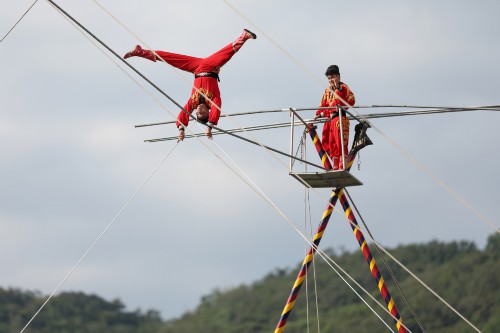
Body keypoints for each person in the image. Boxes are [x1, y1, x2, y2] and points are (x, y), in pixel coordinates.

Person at [123, 29, 257, 141]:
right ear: (207, 113)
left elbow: (184, 113)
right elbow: (217, 110)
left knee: (170, 58)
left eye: (197, 113)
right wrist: (210, 126)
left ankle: (141, 52)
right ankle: (243, 37)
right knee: (225, 55)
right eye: (202, 113)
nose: (199, 111)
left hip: (196, 68)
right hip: (210, 68)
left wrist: (181, 129)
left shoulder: (193, 103)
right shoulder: (213, 101)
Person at [314, 65, 356, 170]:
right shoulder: (327, 91)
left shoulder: (344, 88)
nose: (331, 80)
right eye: (329, 78)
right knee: (328, 142)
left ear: (339, 77)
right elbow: (323, 105)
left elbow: (350, 101)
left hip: (339, 118)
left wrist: (338, 89)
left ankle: (342, 163)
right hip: (329, 120)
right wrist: (319, 114)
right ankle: (335, 162)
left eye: (333, 77)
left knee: (340, 141)